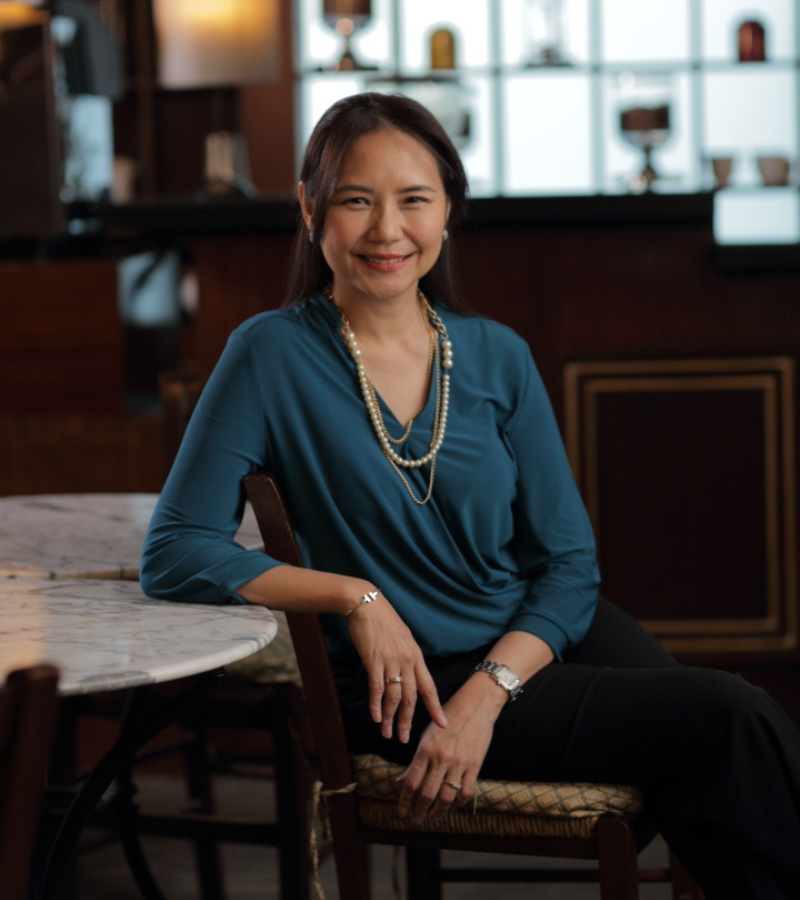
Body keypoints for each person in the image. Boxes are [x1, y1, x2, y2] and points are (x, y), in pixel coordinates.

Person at [141, 92, 800, 900]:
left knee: (720, 760)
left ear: (448, 209)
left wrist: (489, 696)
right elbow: (175, 551)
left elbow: (567, 566)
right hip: (402, 682)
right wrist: (354, 596)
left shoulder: (496, 354)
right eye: (357, 199)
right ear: (312, 209)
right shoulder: (268, 354)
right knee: (726, 721)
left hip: (535, 633)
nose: (388, 229)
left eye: (414, 199)